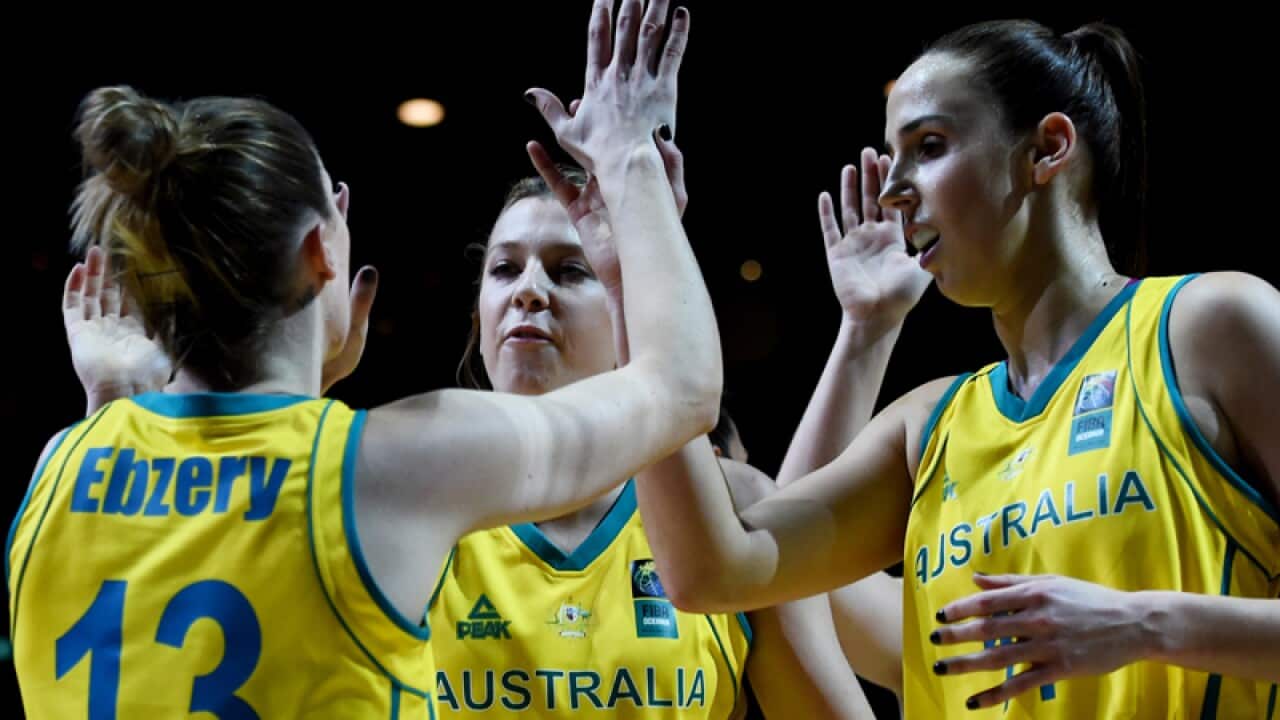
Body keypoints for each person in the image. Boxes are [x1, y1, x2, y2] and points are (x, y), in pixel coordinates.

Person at [7, 1, 723, 716]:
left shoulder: (61, 462)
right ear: (321, 253)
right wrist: (634, 164)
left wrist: (113, 409)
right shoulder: (396, 462)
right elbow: (683, 386)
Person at [631, 19, 1280, 718]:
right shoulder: (928, 423)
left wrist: (1143, 624)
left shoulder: (1211, 326)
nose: (892, 191)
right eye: (892, 156)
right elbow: (719, 571)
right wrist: (632, 243)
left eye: (929, 147)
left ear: (1048, 148)